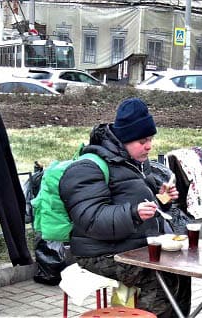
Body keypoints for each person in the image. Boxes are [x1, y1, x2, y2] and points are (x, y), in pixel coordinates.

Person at [59, 98, 191, 317]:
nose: (148, 145)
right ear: (124, 140)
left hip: (131, 245)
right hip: (99, 252)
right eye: (142, 140)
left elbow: (142, 207)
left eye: (150, 139)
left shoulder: (134, 163)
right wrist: (133, 213)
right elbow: (90, 219)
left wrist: (162, 200)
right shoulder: (87, 167)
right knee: (160, 277)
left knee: (181, 272)